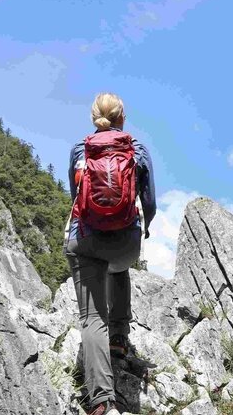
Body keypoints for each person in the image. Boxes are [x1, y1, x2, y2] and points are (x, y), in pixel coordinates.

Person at [65, 92, 156, 415]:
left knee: (92, 318)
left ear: (94, 119)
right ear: (122, 118)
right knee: (118, 268)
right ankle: (119, 336)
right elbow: (150, 202)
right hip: (125, 244)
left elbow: (77, 197)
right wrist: (141, 230)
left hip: (87, 239)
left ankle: (103, 401)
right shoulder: (137, 149)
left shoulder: (80, 150)